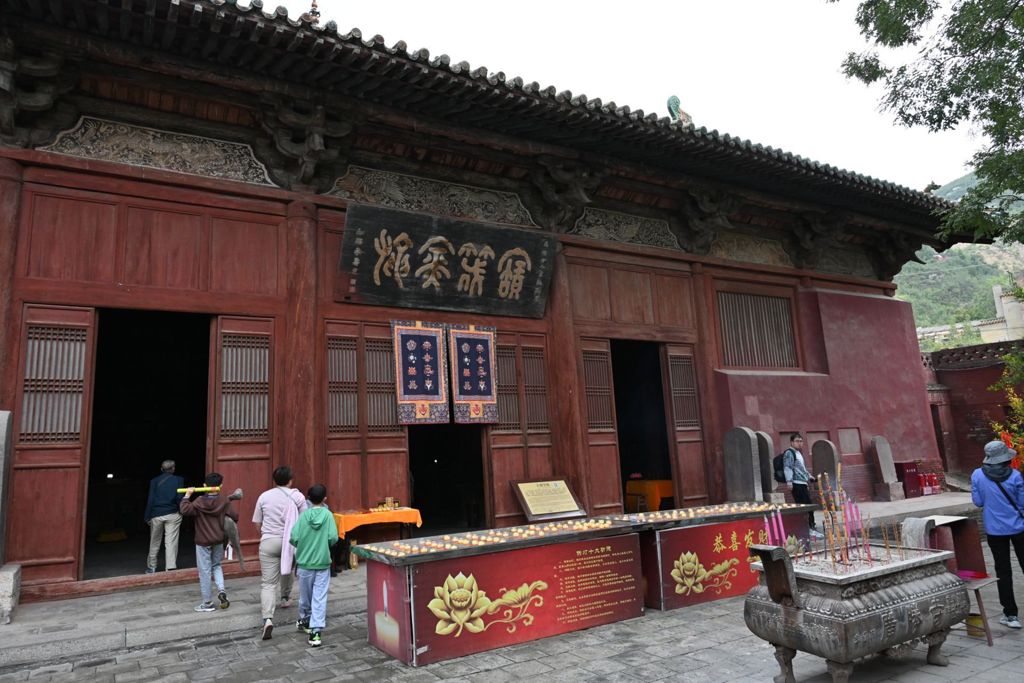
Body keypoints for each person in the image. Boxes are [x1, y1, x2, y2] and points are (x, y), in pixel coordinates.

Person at [971, 440, 1024, 629]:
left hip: (994, 530)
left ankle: (1011, 615)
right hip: (1019, 528)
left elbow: (977, 501)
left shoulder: (977, 475)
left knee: (1003, 571)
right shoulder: (1016, 476)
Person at [253, 466, 308, 640]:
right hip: (290, 542)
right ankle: (285, 598)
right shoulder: (297, 496)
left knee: (268, 583)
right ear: (291, 480)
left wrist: (265, 534)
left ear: (274, 480)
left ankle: (268, 619)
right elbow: (304, 521)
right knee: (288, 568)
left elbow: (257, 522)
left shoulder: (264, 496)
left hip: (269, 541)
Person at [179, 472, 238, 613]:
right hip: (218, 539)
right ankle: (222, 591)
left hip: (203, 541)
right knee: (216, 565)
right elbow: (234, 516)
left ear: (205, 486)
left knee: (204, 571)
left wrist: (187, 495)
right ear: (220, 486)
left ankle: (207, 603)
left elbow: (184, 509)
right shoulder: (224, 500)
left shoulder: (199, 501)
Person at [290, 483, 339, 648]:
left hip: (304, 563)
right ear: (325, 498)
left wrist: (305, 545)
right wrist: (323, 544)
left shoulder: (303, 516)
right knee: (319, 597)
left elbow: (294, 537)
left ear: (308, 498)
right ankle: (315, 631)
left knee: (305, 596)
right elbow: (333, 537)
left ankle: (305, 619)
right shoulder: (328, 515)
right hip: (323, 562)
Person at [144, 459, 184, 574]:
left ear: (161, 469)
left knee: (154, 541)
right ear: (173, 469)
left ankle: (152, 567)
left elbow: (150, 499)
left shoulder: (154, 481)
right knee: (171, 542)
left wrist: (147, 516)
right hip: (172, 514)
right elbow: (179, 498)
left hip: (156, 514)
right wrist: (181, 511)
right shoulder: (178, 480)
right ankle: (170, 567)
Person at [783, 433, 817, 531]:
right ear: (792, 442)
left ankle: (810, 526)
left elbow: (802, 469)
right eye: (797, 441)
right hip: (796, 484)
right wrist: (789, 482)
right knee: (804, 507)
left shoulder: (798, 453)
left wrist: (810, 477)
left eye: (801, 441)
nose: (800, 443)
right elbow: (787, 467)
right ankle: (807, 527)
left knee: (808, 506)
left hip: (803, 483)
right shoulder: (789, 453)